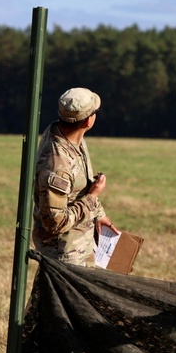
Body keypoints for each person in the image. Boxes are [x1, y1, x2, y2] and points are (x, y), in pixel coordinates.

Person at [32, 87, 115, 266]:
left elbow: (79, 187)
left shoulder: (68, 135)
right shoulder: (58, 165)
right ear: (87, 121)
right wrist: (92, 197)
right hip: (65, 254)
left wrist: (98, 214)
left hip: (80, 245)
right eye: (95, 112)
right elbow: (55, 222)